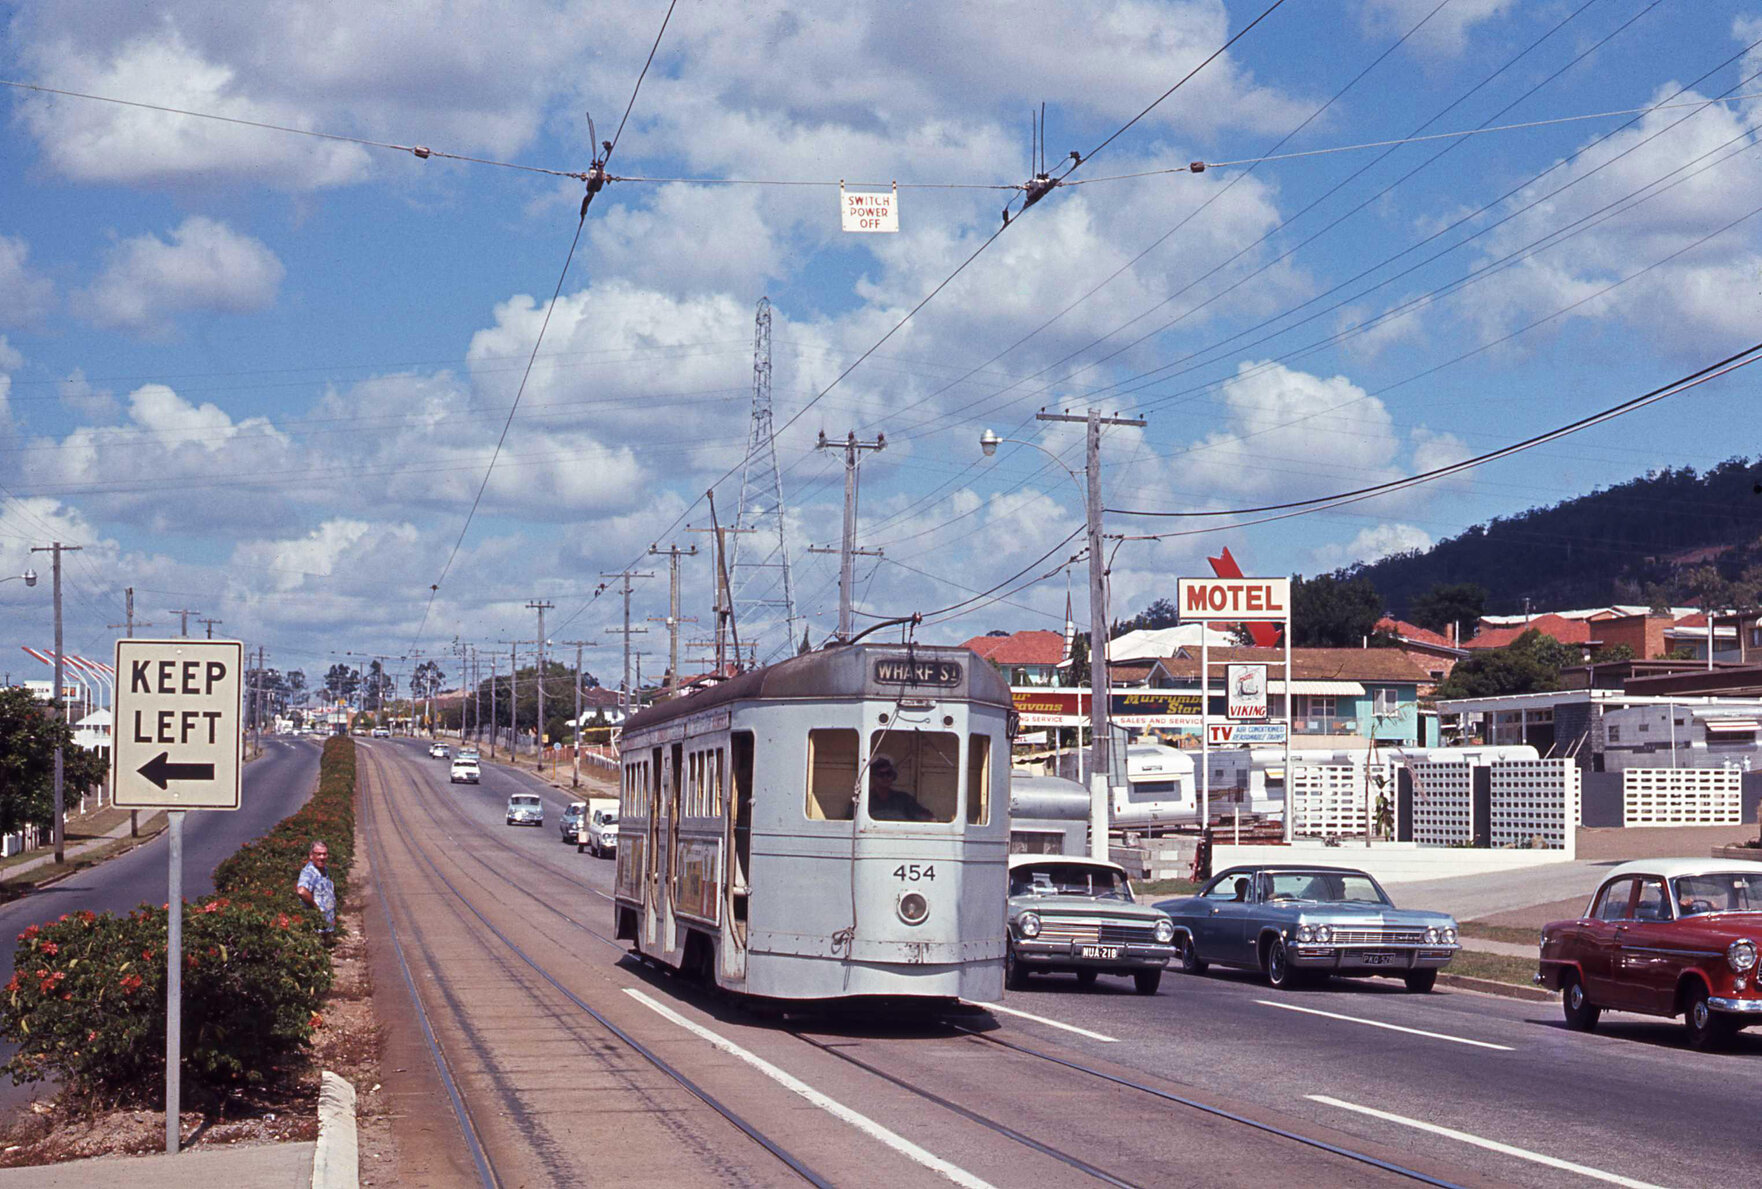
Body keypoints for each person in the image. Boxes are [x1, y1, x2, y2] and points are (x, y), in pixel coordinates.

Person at [868, 757, 933, 821]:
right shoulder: (866, 800)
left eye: (888, 774)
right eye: (880, 774)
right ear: (872, 777)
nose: (885, 777)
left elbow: (926, 817)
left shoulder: (904, 799)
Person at [297, 841, 336, 936]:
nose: (322, 857)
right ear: (311, 855)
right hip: (316, 929)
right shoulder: (309, 872)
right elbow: (301, 891)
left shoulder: (324, 869)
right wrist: (316, 908)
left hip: (326, 926)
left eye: (324, 854)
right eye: (318, 854)